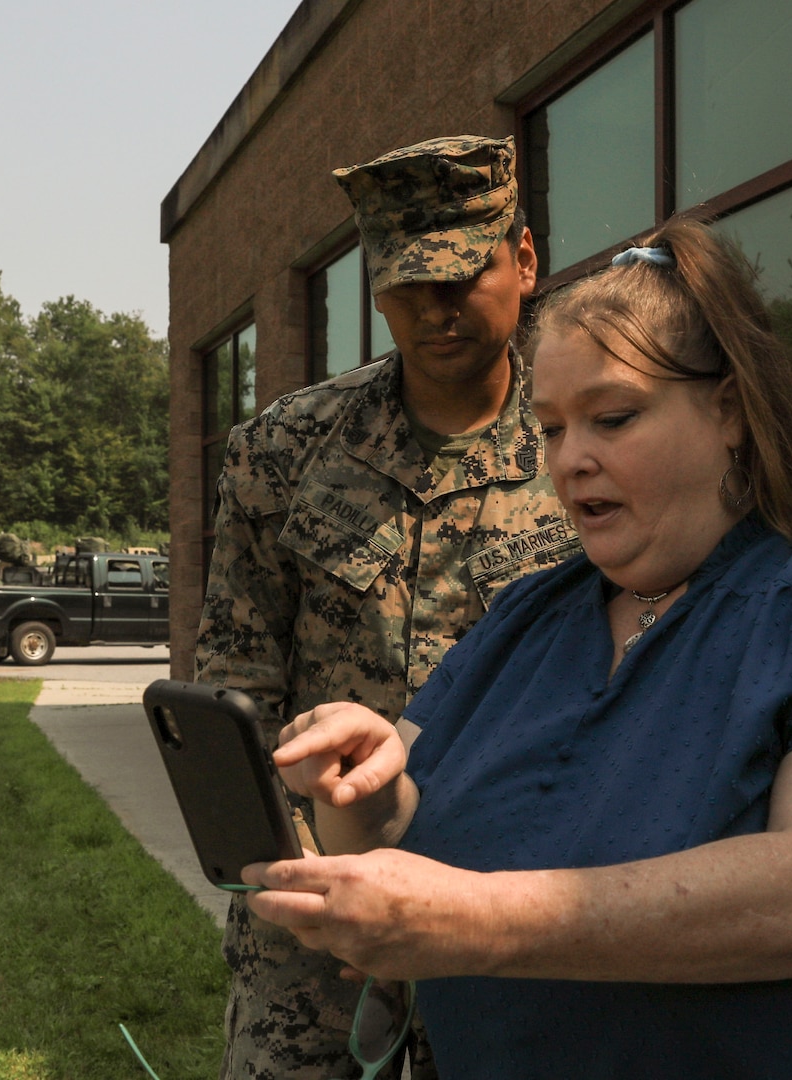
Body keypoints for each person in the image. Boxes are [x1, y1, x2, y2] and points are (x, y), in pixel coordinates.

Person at [244, 218, 792, 1078]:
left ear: (734, 412)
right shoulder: (528, 615)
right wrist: (363, 791)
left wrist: (478, 918)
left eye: (613, 418)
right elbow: (401, 835)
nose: (571, 462)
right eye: (553, 429)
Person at [196, 135, 577, 1079]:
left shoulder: (587, 440)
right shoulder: (283, 449)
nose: (437, 310)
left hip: (518, 907)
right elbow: (236, 686)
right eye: (407, 285)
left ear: (524, 262)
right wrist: (305, 866)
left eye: (464, 275)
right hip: (317, 920)